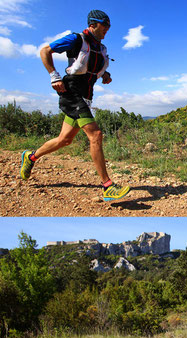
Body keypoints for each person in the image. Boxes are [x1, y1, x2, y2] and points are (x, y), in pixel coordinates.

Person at [20, 10, 130, 202]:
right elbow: (45, 51)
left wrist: (105, 75)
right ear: (93, 24)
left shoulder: (100, 48)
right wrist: (54, 76)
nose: (107, 29)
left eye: (109, 26)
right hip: (71, 93)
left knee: (65, 140)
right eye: (105, 25)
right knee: (95, 134)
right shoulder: (76, 39)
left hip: (86, 96)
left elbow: (93, 67)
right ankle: (107, 187)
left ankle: (31, 157)